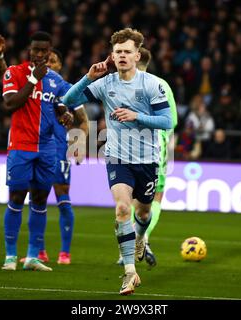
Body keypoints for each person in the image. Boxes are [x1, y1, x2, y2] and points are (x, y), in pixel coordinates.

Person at [63, 28, 172, 295]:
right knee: (123, 208)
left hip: (147, 160)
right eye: (118, 52)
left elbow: (167, 121)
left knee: (143, 212)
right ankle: (129, 273)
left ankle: (140, 237)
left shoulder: (152, 84)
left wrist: (137, 116)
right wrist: (88, 77)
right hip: (117, 157)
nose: (122, 55)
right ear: (113, 55)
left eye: (127, 52)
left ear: (137, 55)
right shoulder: (105, 82)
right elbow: (68, 100)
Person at [0, 35, 89, 265]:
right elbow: (10, 103)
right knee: (17, 197)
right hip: (20, 146)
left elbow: (62, 105)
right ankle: (10, 256)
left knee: (40, 200)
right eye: (35, 50)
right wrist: (33, 80)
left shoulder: (56, 80)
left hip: (48, 149)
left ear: (49, 53)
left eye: (43, 51)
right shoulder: (15, 73)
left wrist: (64, 114)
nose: (39, 55)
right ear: (29, 49)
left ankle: (34, 257)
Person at [116, 47, 178, 268]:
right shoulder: (160, 84)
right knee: (154, 196)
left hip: (123, 143)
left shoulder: (119, 82)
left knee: (128, 197)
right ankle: (143, 239)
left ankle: (128, 249)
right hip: (154, 143)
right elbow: (171, 123)